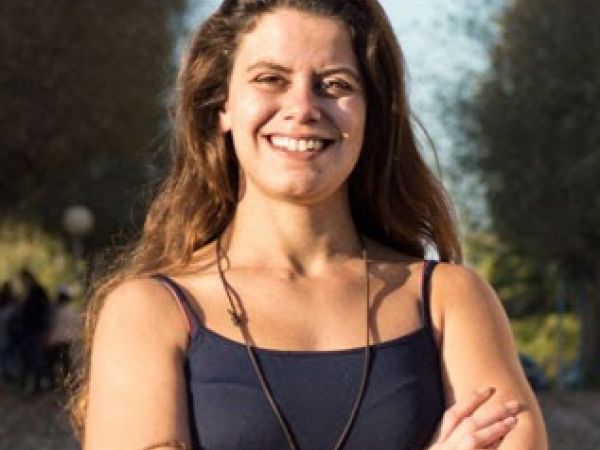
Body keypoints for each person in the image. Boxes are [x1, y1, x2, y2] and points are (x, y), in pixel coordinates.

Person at [73, 1, 548, 449]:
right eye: (270, 79)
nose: (302, 108)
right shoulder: (149, 311)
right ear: (222, 107)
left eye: (335, 85)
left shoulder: (449, 300)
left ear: (371, 114)